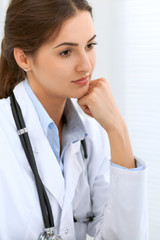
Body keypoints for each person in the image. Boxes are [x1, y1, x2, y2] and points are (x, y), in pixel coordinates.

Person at [0, 0, 148, 239]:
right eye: (66, 52)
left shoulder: (92, 133)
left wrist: (117, 129)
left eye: (90, 45)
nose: (86, 65)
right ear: (24, 59)